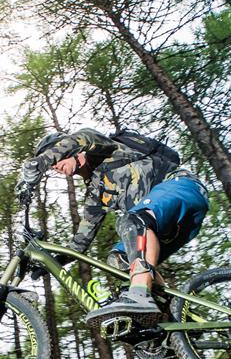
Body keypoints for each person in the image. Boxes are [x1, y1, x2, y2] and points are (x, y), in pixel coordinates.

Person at [18, 128, 210, 329]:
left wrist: (40, 162)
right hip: (167, 226)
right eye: (51, 165)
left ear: (68, 149)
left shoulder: (103, 149)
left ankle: (139, 294)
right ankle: (175, 316)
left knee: (132, 221)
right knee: (118, 259)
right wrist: (50, 262)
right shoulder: (96, 192)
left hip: (182, 187)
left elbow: (81, 139)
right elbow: (80, 243)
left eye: (56, 157)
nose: (54, 166)